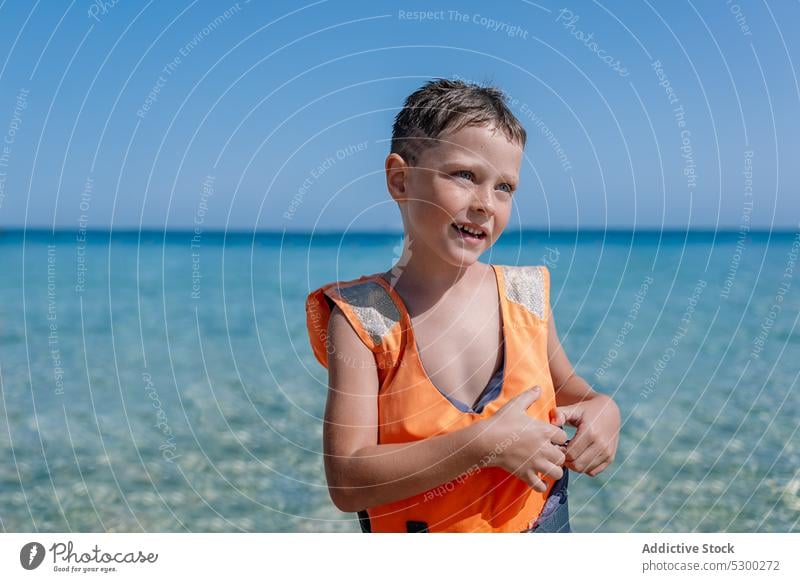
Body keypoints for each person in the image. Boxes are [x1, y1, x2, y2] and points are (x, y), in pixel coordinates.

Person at [305, 78, 620, 532]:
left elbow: (576, 394)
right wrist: (482, 445)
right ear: (400, 180)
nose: (485, 205)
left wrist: (605, 409)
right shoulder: (365, 319)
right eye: (465, 175)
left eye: (504, 187)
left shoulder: (524, 297)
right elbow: (347, 480)